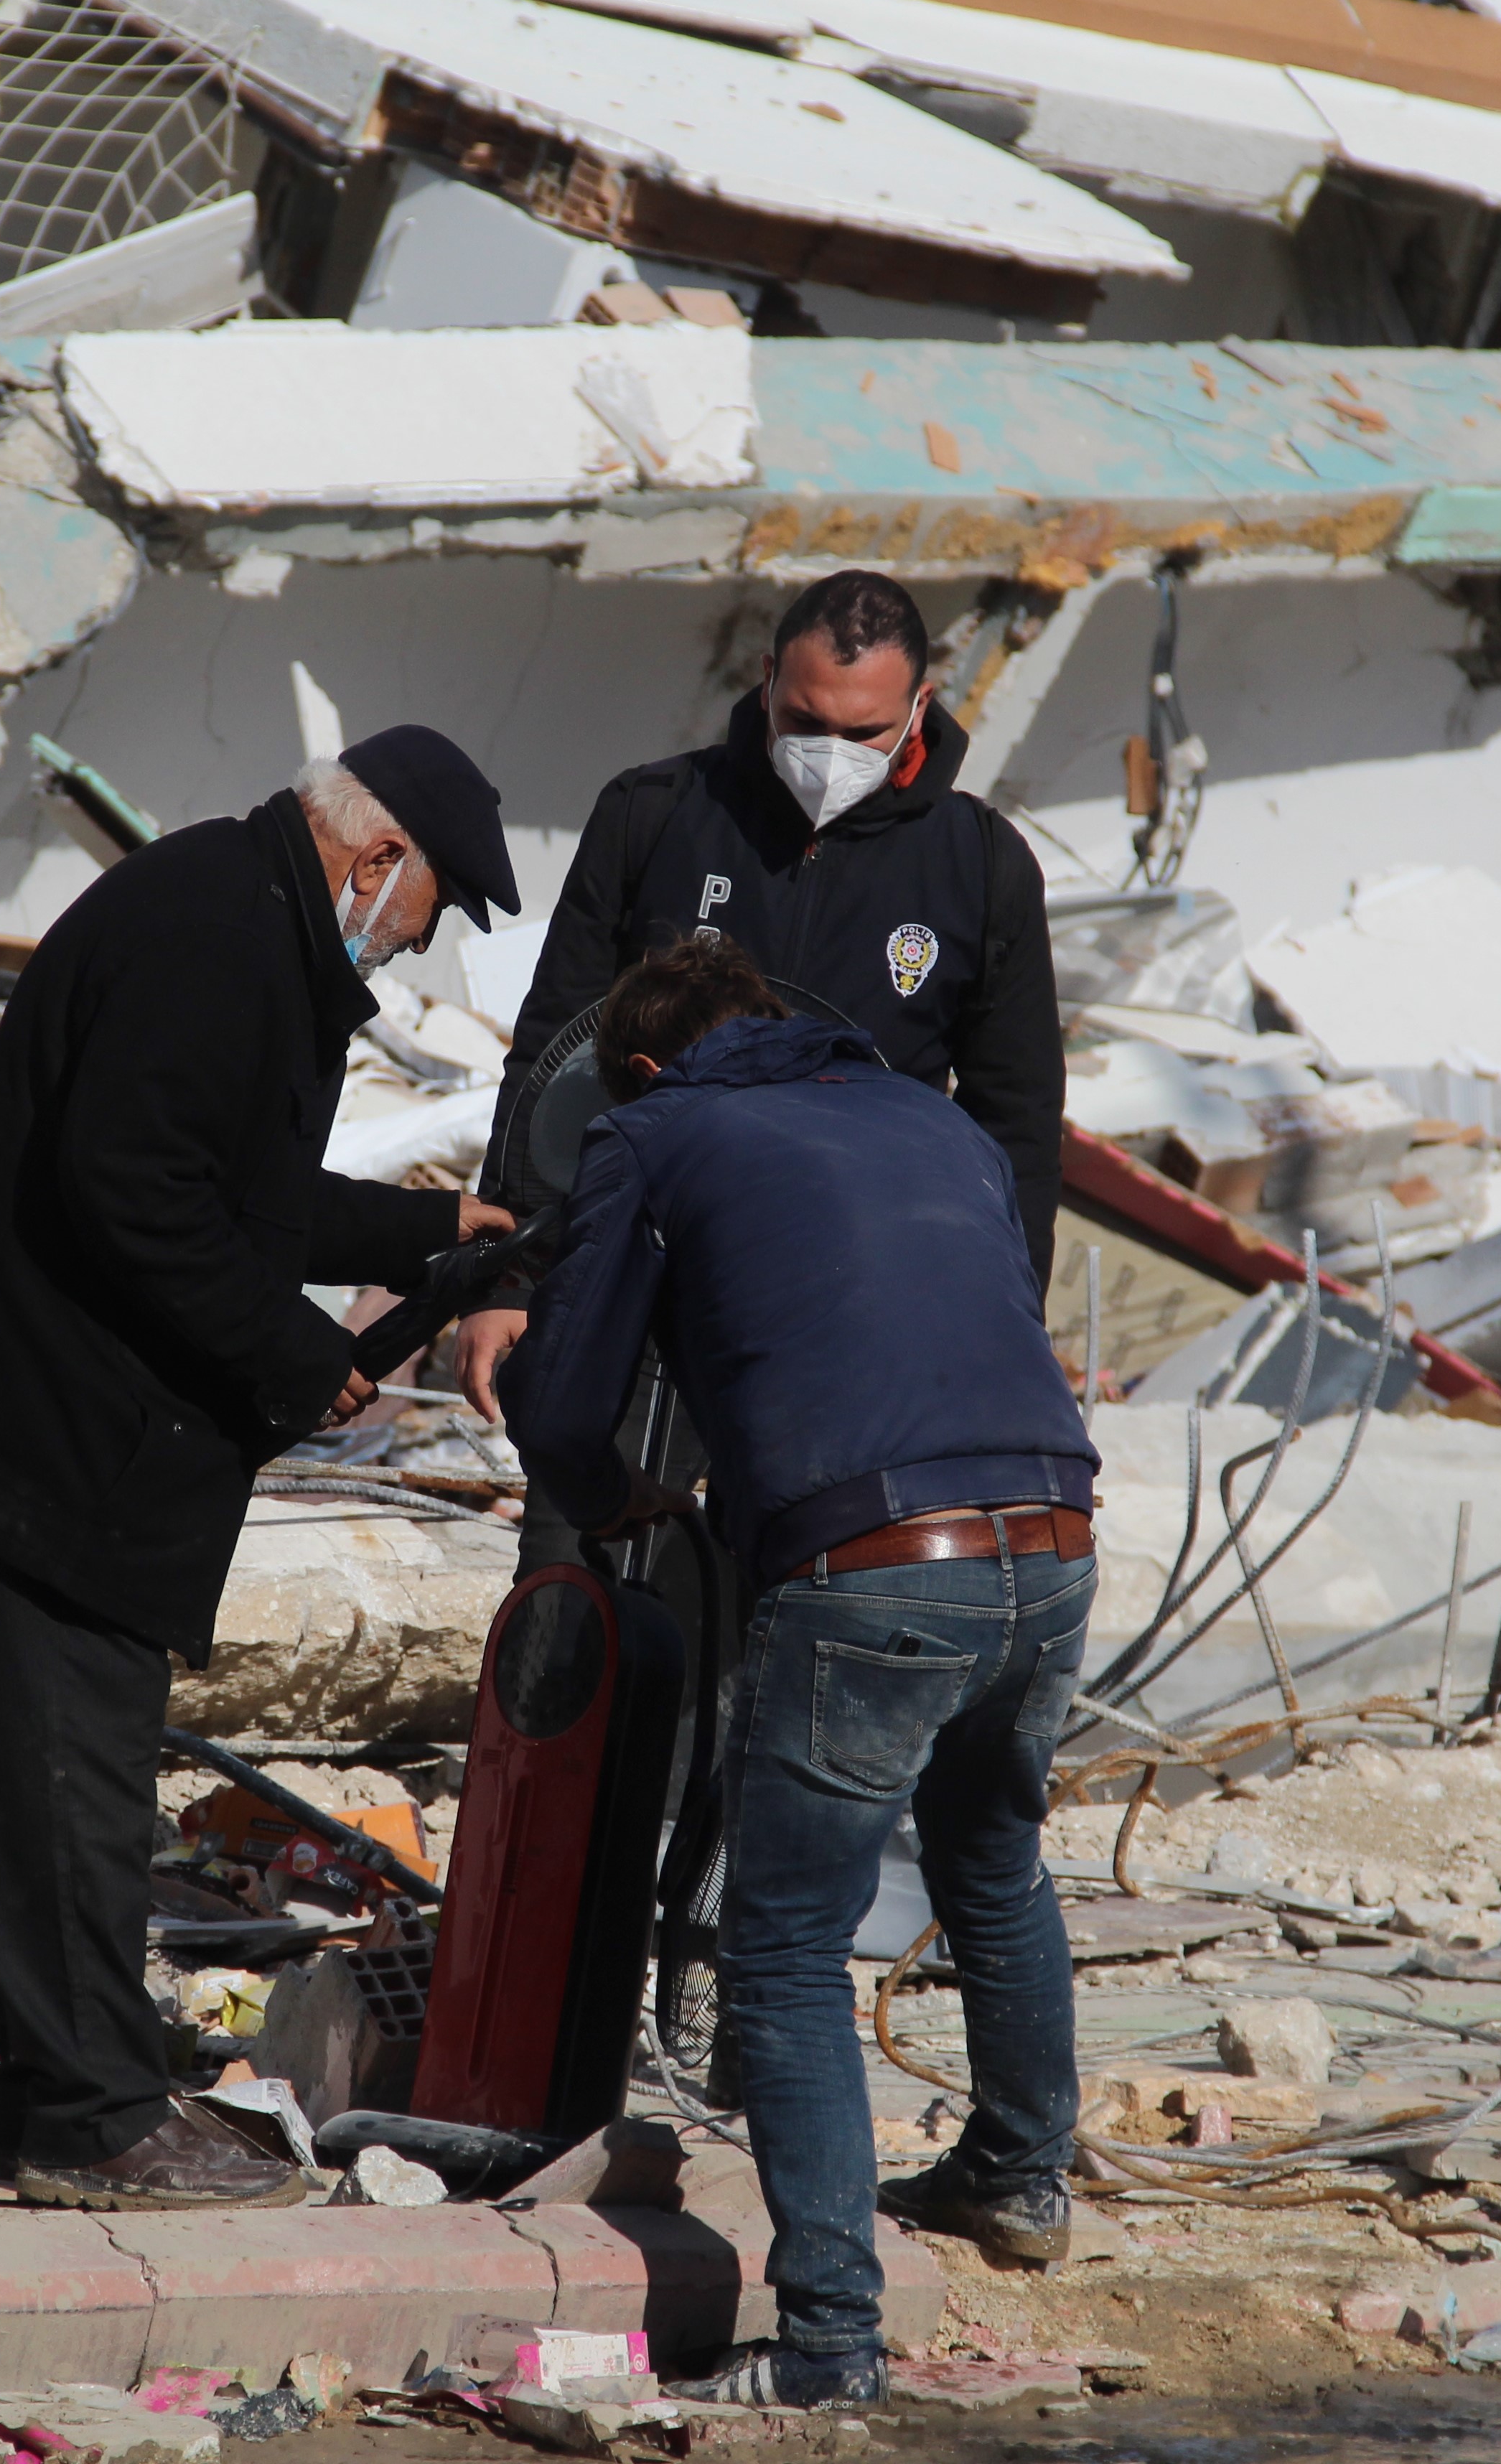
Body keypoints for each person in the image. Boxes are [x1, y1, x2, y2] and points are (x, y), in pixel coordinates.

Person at [0, 727, 520, 2211]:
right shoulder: (215, 929)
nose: (416, 950)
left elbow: (233, 1192)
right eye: (431, 910)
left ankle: (52, 2100)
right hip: (46, 1440)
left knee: (67, 1778)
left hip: (73, 1440)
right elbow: (132, 1189)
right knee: (68, 1785)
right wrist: (291, 1357)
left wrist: (422, 1233)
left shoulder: (239, 914)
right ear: (378, 857)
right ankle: (94, 2125)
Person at [502, 934, 1100, 2413]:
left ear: (638, 1069)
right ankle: (1023, 2178)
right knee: (996, 1862)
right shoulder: (935, 1115)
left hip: (873, 1561)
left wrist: (614, 1488)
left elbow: (566, 1398)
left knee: (780, 1951)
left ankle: (831, 2338)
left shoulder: (652, 1127)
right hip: (1054, 1534)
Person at [456, 567, 1065, 1424]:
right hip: (633, 1279)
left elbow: (1017, 1126)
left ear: (920, 707)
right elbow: (552, 1050)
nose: (830, 756)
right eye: (806, 722)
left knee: (799, 1552)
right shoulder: (655, 814)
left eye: (865, 733)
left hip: (852, 1303)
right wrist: (511, 1276)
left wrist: (1007, 1323)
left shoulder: (980, 866)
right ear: (767, 678)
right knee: (588, 1543)